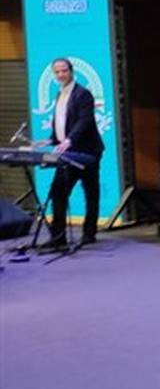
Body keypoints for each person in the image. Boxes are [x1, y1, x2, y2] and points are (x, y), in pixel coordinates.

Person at [46, 57, 104, 247]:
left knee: (91, 193)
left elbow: (84, 121)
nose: (61, 74)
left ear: (71, 71)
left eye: (64, 71)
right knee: (58, 192)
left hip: (87, 152)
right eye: (57, 72)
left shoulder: (83, 94)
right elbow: (61, 122)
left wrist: (69, 140)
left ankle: (89, 233)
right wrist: (51, 139)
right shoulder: (60, 94)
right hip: (68, 154)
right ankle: (58, 237)